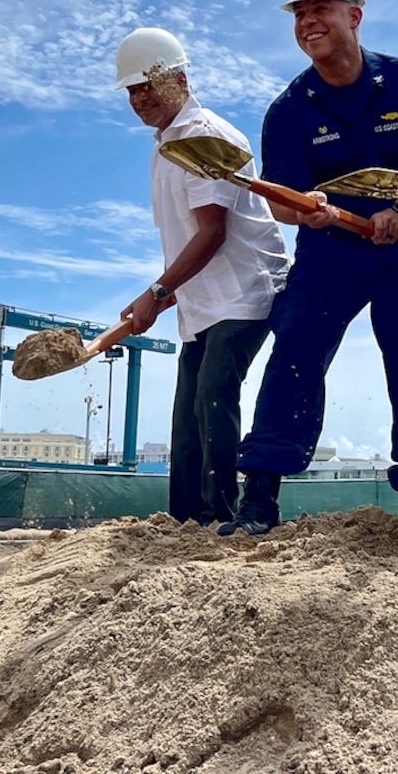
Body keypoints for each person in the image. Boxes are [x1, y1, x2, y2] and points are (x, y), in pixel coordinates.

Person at [219, 0, 398, 535]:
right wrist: (311, 213)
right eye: (299, 12)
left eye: (320, 8)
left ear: (355, 14)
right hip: (331, 254)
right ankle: (260, 498)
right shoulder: (290, 109)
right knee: (295, 349)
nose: (307, 21)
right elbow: (282, 200)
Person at [115, 28, 289, 527]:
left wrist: (157, 291)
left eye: (149, 85)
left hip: (245, 290)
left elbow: (213, 232)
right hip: (202, 298)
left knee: (214, 395)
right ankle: (186, 519)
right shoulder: (164, 146)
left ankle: (224, 516)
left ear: (181, 79)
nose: (140, 98)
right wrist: (165, 292)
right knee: (188, 412)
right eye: (132, 90)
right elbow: (190, 237)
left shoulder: (205, 136)